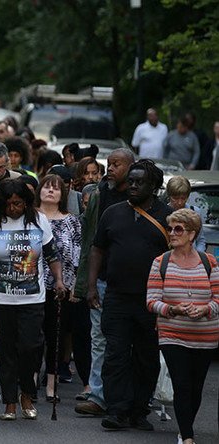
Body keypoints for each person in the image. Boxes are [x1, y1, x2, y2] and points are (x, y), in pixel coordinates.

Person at [88, 160, 172, 431]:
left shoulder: (168, 217)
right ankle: (117, 410)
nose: (133, 186)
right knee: (116, 354)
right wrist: (91, 287)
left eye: (139, 182)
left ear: (155, 187)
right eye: (131, 181)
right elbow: (97, 249)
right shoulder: (112, 213)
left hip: (152, 301)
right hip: (117, 296)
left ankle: (138, 410)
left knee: (146, 357)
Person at [0, 179, 65, 421]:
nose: (14, 208)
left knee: (30, 348)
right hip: (0, 298)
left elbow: (52, 254)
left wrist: (58, 279)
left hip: (32, 298)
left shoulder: (38, 221)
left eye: (19, 204)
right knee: (6, 351)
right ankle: (10, 402)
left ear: (26, 203)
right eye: (9, 204)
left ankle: (27, 393)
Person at [146, 208, 219, 444]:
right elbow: (151, 301)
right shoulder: (160, 262)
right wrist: (173, 309)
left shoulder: (210, 262)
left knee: (196, 387)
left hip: (205, 335)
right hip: (173, 333)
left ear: (192, 234)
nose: (172, 233)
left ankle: (184, 428)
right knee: (182, 383)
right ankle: (187, 437)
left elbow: (217, 299)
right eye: (170, 228)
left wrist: (205, 309)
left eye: (178, 229)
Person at [73, 148, 135, 417]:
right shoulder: (99, 195)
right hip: (101, 278)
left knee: (126, 341)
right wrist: (87, 283)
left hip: (131, 283)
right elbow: (90, 242)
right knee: (98, 338)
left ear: (131, 168)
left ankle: (127, 396)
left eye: (117, 164)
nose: (111, 168)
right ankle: (97, 395)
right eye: (109, 164)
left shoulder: (139, 197)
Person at [35, 174, 87, 402]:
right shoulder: (30, 218)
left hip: (60, 287)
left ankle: (51, 383)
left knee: (55, 335)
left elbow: (77, 255)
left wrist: (74, 285)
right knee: (33, 336)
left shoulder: (72, 221)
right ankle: (31, 378)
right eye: (46, 186)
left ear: (62, 194)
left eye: (55, 189)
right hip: (31, 286)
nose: (50, 191)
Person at [166, 175, 206, 252]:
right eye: (175, 198)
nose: (180, 202)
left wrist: (198, 257)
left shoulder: (195, 212)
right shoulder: (163, 212)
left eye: (183, 198)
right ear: (169, 196)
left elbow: (200, 240)